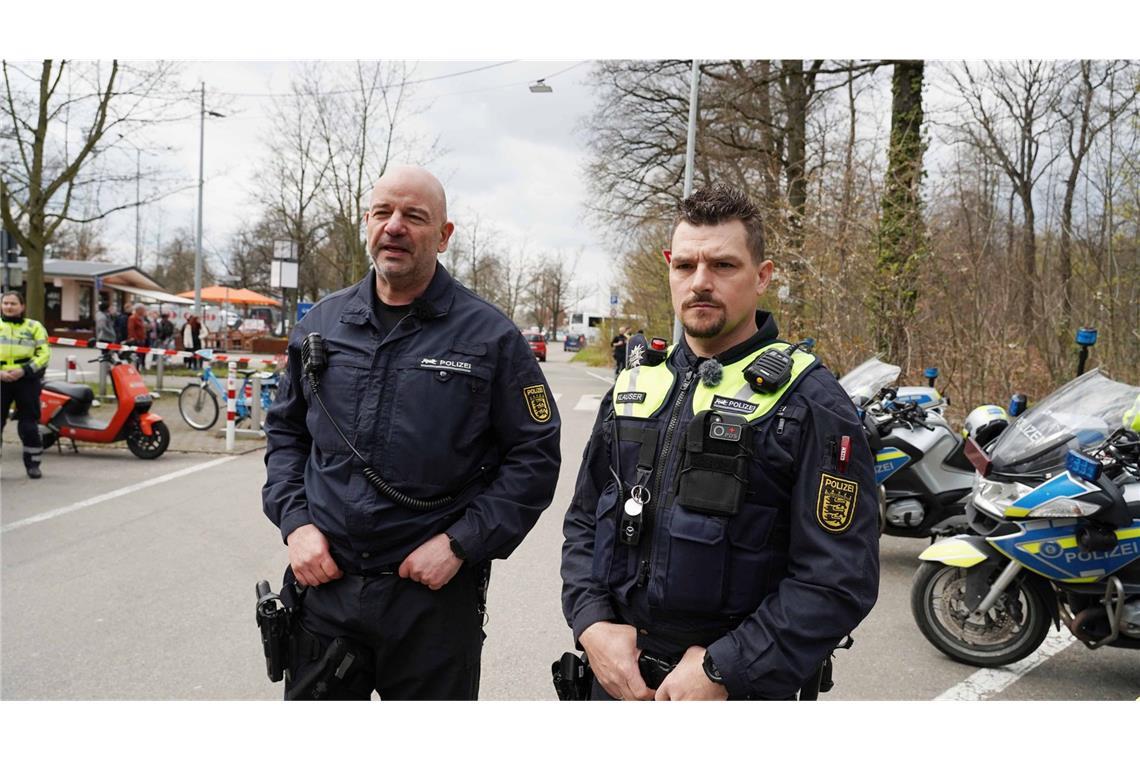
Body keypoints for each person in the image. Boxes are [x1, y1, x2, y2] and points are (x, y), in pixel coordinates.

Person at [560, 183, 879, 701]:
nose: (701, 282)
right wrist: (590, 621)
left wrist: (723, 669)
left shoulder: (810, 402)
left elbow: (838, 578)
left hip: (733, 690)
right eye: (686, 266)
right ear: (669, 267)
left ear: (763, 276)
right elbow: (583, 521)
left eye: (724, 266)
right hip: (617, 678)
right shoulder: (635, 385)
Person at [263, 165, 562, 700]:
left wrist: (460, 544)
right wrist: (295, 525)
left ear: (444, 236)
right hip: (324, 593)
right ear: (367, 222)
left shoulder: (490, 337)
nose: (394, 226)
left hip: (431, 603)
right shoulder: (320, 328)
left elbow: (534, 457)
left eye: (414, 217)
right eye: (382, 213)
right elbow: (286, 435)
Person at [1, 291, 51, 479]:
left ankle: (33, 464)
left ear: (22, 306)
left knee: (29, 425)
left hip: (26, 380)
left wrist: (24, 370)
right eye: (5, 303)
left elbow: (44, 354)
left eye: (13, 303)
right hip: (1, 380)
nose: (8, 307)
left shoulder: (34, 327)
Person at [126, 303, 148, 370]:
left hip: (141, 339)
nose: (144, 311)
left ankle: (138, 368)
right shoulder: (133, 318)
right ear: (139, 310)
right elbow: (131, 329)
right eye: (143, 310)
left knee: (140, 355)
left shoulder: (141, 318)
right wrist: (133, 338)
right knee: (136, 356)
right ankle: (135, 369)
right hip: (136, 340)